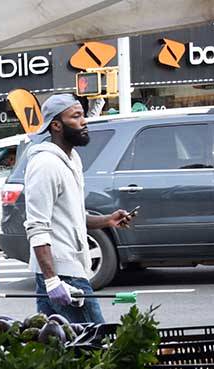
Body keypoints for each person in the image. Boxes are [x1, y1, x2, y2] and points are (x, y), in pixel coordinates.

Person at [24, 94, 134, 324]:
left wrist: (107, 220)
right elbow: (37, 227)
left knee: (63, 348)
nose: (84, 121)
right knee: (94, 342)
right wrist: (52, 280)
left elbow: (73, 217)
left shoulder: (71, 159)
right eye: (76, 117)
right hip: (61, 274)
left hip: (72, 270)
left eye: (83, 115)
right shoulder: (45, 165)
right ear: (56, 125)